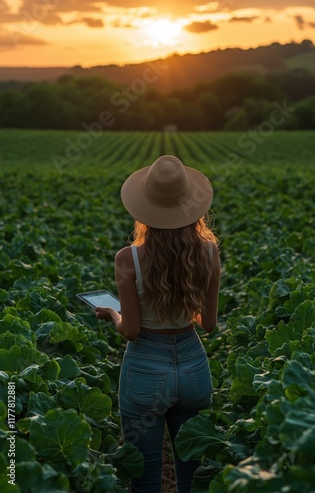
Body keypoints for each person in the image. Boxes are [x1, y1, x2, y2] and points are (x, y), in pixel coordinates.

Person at [95, 155, 221, 493]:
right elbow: (208, 323)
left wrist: (113, 313)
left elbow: (131, 330)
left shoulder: (129, 257)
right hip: (194, 368)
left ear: (144, 207)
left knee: (146, 479)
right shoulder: (209, 252)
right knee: (193, 478)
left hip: (144, 372)